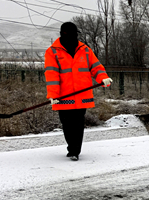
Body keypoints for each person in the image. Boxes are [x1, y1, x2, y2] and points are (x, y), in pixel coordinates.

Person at [44, 22, 112, 161]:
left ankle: (75, 151)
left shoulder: (85, 50)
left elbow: (96, 67)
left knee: (78, 124)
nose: (73, 37)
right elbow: (52, 75)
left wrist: (103, 78)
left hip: (81, 95)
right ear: (62, 34)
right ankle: (72, 148)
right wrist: (53, 95)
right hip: (64, 97)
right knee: (67, 124)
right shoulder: (53, 52)